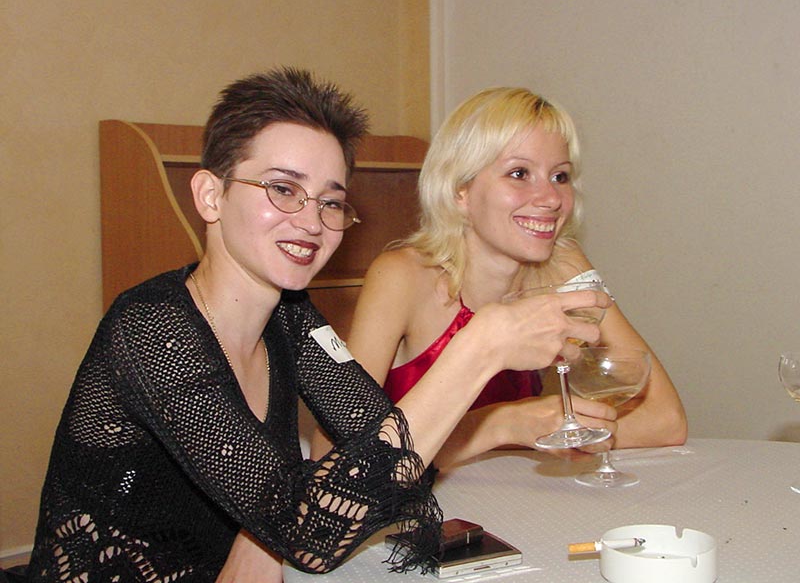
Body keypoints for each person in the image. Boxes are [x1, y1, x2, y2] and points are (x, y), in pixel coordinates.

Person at [26, 70, 611, 583]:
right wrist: (480, 347)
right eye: (283, 189)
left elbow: (379, 447)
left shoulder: (290, 316)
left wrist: (259, 535)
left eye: (330, 201)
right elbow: (310, 536)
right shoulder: (154, 329)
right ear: (210, 195)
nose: (312, 222)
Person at [319, 86, 687, 469]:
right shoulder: (403, 276)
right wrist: (500, 426)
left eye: (560, 176)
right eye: (519, 173)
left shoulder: (564, 265)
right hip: (402, 499)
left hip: (504, 490)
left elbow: (666, 420)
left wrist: (558, 431)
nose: (551, 198)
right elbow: (332, 455)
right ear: (460, 190)